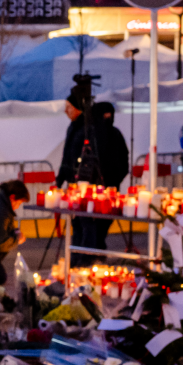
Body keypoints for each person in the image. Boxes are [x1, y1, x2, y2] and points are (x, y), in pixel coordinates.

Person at [57, 94, 129, 265]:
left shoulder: (112, 134)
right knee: (85, 225)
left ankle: (87, 258)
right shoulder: (85, 133)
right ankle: (86, 259)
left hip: (104, 190)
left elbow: (123, 161)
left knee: (92, 226)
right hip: (88, 189)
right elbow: (72, 158)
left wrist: (111, 181)